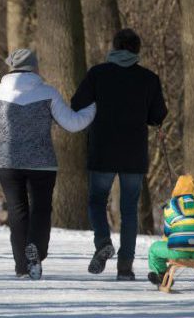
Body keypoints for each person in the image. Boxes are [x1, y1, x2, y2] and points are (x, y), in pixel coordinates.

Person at [0, 48, 96, 280]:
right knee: (41, 209)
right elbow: (72, 124)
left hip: (8, 163)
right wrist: (93, 106)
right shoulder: (48, 93)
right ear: (34, 67)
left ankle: (22, 267)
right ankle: (37, 251)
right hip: (42, 163)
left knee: (17, 211)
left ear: (11, 66)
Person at [70, 28, 167, 280]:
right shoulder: (149, 78)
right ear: (137, 50)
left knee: (96, 201)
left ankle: (103, 241)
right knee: (129, 211)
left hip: (102, 149)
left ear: (114, 47)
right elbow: (158, 116)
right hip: (133, 154)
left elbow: (77, 103)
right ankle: (125, 267)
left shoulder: (98, 74)